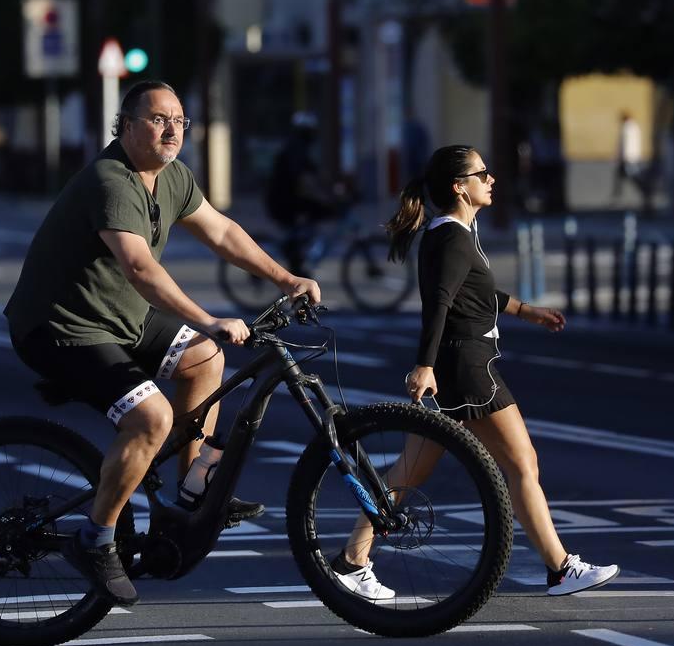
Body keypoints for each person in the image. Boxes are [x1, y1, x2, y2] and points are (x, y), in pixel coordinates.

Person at [5, 80, 321, 607]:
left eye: (179, 120)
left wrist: (287, 279)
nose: (171, 129)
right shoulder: (112, 180)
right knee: (151, 418)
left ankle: (192, 492)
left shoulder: (172, 176)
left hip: (119, 319)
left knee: (205, 357)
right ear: (126, 127)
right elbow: (138, 266)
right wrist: (207, 316)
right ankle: (96, 538)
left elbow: (222, 233)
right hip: (61, 327)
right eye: (157, 120)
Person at [328, 144, 619, 600]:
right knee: (522, 463)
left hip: (458, 367)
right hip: (468, 371)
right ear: (459, 187)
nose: (492, 180)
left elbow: (476, 293)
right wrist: (423, 365)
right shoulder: (451, 238)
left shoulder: (453, 234)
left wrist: (527, 311)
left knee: (406, 475)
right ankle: (561, 568)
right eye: (483, 174)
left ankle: (351, 561)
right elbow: (439, 305)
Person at [264, 111, 352, 276]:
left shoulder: (300, 149)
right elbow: (304, 180)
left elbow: (316, 175)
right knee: (317, 214)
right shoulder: (295, 149)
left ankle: (300, 258)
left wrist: (330, 191)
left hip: (288, 199)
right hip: (283, 201)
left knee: (315, 218)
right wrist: (326, 198)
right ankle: (296, 263)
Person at [613, 110, 644, 206]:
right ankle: (617, 195)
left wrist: (623, 157)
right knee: (621, 177)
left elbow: (626, 144)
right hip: (633, 157)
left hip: (628, 158)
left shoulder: (627, 128)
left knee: (634, 177)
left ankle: (644, 193)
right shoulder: (634, 127)